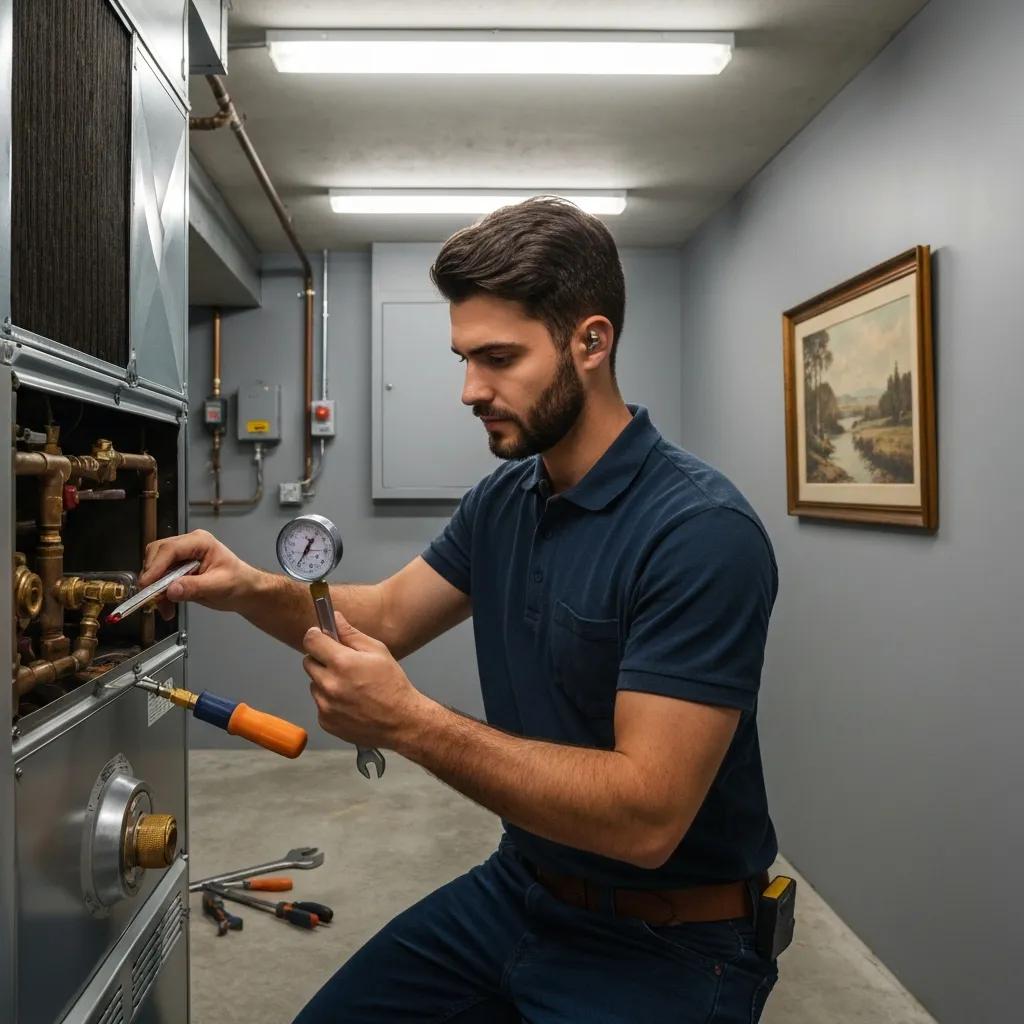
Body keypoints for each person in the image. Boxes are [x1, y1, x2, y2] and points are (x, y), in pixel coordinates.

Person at [142, 197, 781, 1023]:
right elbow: (383, 616)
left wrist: (409, 723)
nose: (469, 390)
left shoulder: (699, 534)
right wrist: (245, 586)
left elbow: (645, 815)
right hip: (520, 891)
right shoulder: (507, 499)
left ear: (591, 342)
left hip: (667, 942)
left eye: (498, 358)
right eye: (462, 359)